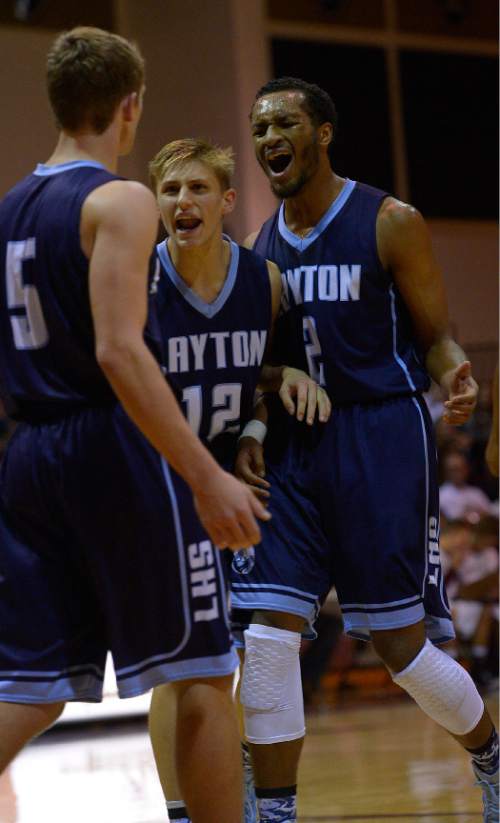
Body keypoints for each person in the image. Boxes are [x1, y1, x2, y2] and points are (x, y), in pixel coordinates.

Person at [0, 28, 273, 823]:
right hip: (107, 450)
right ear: (130, 107)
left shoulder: (10, 208)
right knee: (202, 671)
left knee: (32, 689)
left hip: (28, 454)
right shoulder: (119, 199)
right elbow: (120, 350)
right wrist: (205, 472)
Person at [231, 77, 499, 822]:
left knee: (399, 648)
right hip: (294, 443)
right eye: (258, 128)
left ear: (323, 133)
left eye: (284, 123)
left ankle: (491, 754)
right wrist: (256, 427)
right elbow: (264, 359)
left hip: (381, 434)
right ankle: (275, 810)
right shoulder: (264, 241)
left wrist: (456, 377)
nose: (267, 139)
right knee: (268, 633)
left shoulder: (390, 220)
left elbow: (436, 334)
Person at [145, 138, 331, 823]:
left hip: (229, 483)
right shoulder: (138, 279)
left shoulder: (265, 282)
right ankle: (182, 810)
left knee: (225, 659)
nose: (182, 202)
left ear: (226, 201)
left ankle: (234, 797)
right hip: (158, 485)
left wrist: (259, 423)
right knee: (184, 666)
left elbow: (267, 370)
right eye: (170, 191)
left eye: (196, 189)